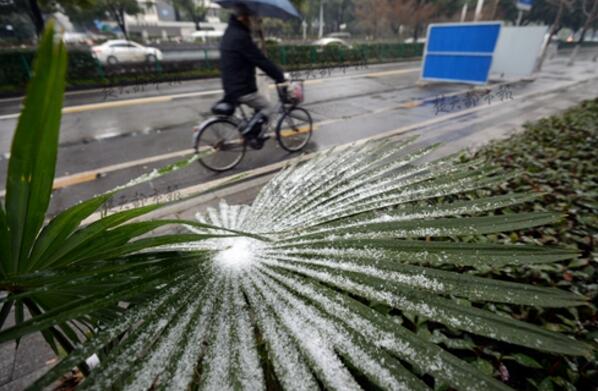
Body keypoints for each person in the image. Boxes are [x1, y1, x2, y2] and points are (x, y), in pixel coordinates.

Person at [219, 5, 286, 146]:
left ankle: (253, 133)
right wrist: (279, 76)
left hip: (230, 84)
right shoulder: (241, 37)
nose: (251, 21)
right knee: (267, 107)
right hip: (241, 87)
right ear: (243, 18)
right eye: (250, 18)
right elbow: (260, 60)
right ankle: (250, 134)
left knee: (257, 110)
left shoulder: (230, 32)